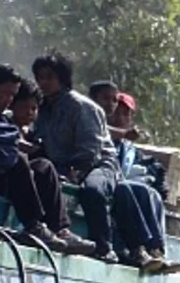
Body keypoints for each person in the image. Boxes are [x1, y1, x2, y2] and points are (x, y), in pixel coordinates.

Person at [0, 65, 95, 255]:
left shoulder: (3, 116)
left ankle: (60, 228)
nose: (8, 100)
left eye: (12, 96)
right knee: (19, 158)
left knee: (44, 166)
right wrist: (14, 142)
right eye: (6, 94)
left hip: (9, 168)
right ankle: (33, 225)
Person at [30, 53, 121, 262]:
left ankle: (104, 247)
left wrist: (76, 170)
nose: (43, 82)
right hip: (61, 164)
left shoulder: (81, 106)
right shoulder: (42, 108)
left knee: (92, 190)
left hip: (99, 163)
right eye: (40, 77)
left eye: (49, 77)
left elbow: (91, 148)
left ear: (62, 78)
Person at [112, 93, 180, 272]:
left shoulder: (131, 151)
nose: (120, 118)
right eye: (116, 113)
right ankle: (138, 249)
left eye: (125, 114)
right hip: (111, 186)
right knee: (130, 189)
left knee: (152, 193)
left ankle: (156, 250)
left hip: (127, 189)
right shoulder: (103, 139)